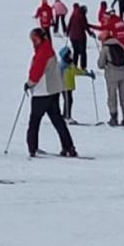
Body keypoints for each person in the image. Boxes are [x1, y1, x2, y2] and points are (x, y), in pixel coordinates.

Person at [25, 27, 77, 157]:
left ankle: (32, 148)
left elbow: (36, 72)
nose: (33, 42)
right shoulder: (49, 48)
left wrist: (29, 83)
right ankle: (69, 147)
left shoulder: (42, 52)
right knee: (58, 120)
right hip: (54, 90)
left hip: (43, 92)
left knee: (34, 121)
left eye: (34, 39)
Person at [97, 30, 124, 126]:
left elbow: (100, 64)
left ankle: (114, 118)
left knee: (112, 97)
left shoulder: (105, 49)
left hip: (112, 75)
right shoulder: (120, 45)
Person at [57, 46, 94, 124]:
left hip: (69, 86)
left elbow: (77, 71)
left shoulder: (70, 64)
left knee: (69, 100)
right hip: (65, 87)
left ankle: (66, 115)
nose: (72, 55)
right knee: (68, 101)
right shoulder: (63, 66)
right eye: (70, 54)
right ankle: (66, 117)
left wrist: (87, 74)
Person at [66, 4, 96, 70]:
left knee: (75, 51)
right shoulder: (82, 16)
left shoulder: (73, 14)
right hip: (81, 37)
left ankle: (74, 66)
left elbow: (69, 24)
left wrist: (67, 33)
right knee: (83, 52)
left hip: (72, 36)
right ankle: (83, 67)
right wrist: (90, 33)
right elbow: (85, 26)